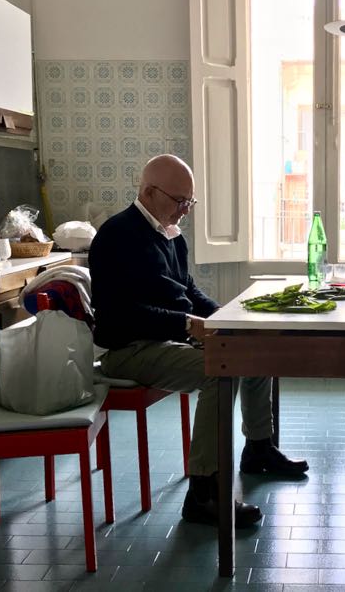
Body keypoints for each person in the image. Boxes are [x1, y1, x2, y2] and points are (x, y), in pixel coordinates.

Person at [89, 154, 308, 528]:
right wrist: (187, 324)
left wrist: (226, 317)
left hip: (165, 338)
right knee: (217, 371)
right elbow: (122, 316)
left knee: (253, 352)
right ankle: (203, 492)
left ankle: (258, 449)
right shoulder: (116, 237)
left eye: (189, 202)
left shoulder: (170, 236)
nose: (185, 211)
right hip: (127, 349)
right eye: (179, 202)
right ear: (148, 192)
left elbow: (186, 291)